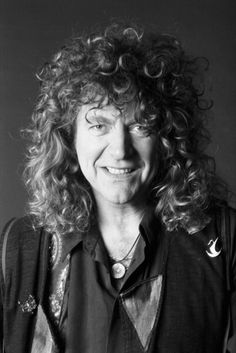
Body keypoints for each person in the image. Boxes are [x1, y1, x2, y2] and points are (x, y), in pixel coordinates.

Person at [0, 23, 235, 353]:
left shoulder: (225, 239)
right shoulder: (17, 248)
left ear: (167, 137)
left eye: (141, 124)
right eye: (99, 125)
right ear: (69, 136)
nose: (120, 150)